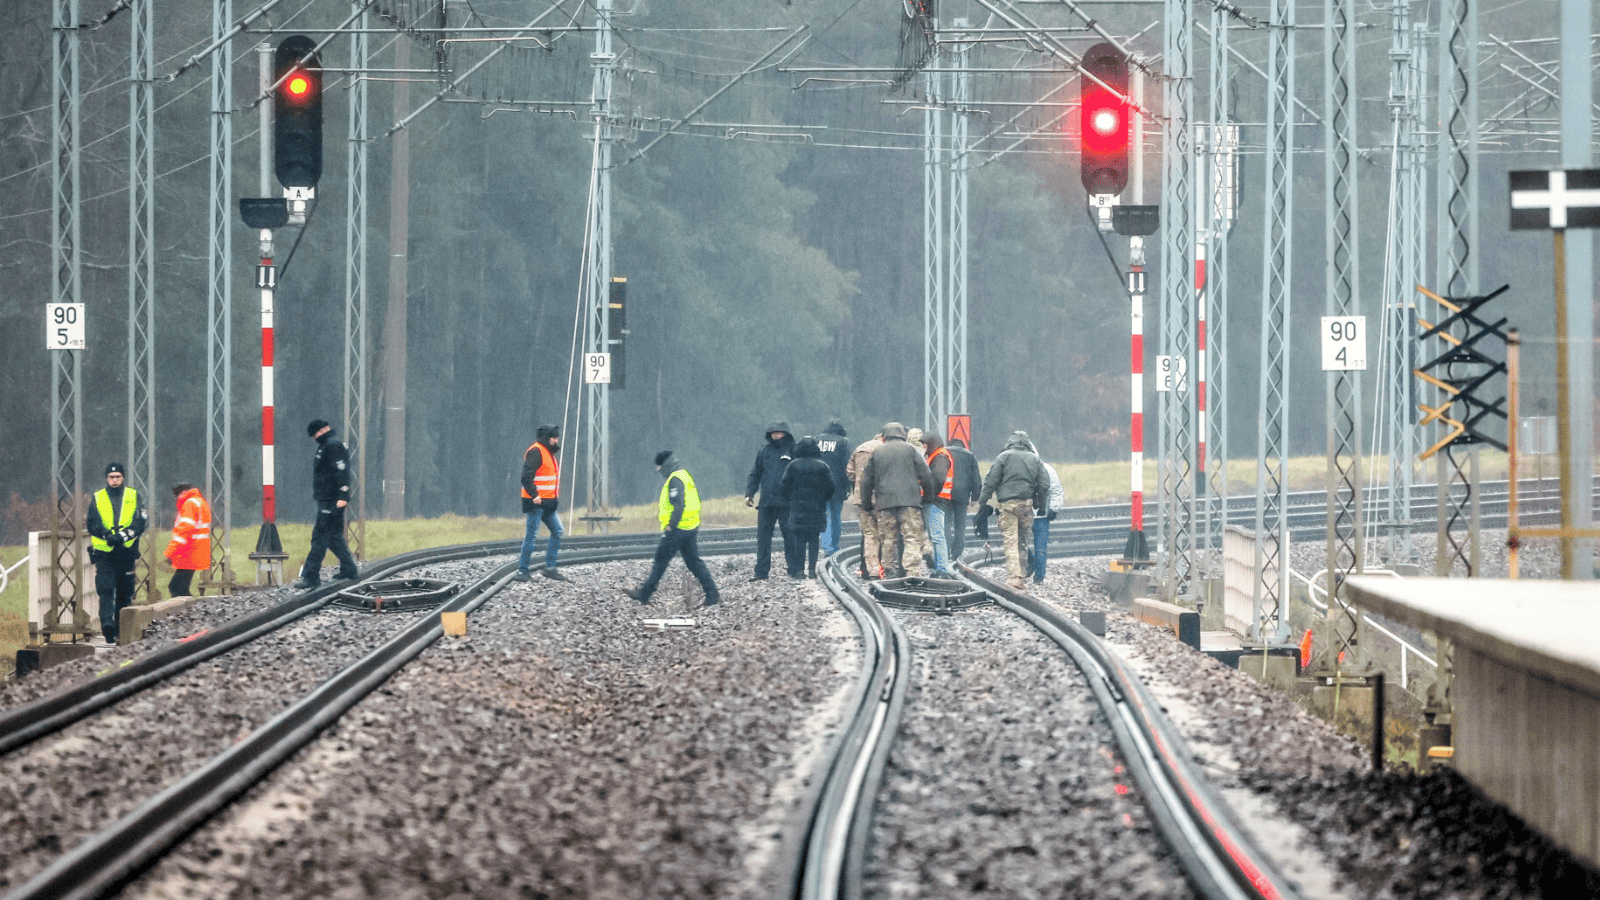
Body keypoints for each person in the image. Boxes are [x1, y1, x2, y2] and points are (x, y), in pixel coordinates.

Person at [624, 452, 721, 607]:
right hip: (690, 526)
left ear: (665, 465)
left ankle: (643, 594)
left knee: (660, 560)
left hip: (678, 528)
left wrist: (671, 524)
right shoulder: (684, 475)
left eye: (660, 467)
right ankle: (713, 594)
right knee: (694, 562)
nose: (659, 470)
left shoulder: (674, 480)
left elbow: (679, 505)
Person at [858, 422, 936, 579]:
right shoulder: (911, 450)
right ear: (902, 434)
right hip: (910, 503)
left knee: (888, 539)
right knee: (912, 537)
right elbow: (926, 476)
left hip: (885, 504)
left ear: (884, 435)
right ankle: (912, 572)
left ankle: (890, 572)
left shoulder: (877, 452)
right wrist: (928, 498)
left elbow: (866, 481)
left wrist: (866, 503)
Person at [292, 419, 361, 590]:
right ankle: (349, 569)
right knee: (333, 537)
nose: (314, 437)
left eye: (315, 434)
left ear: (321, 431)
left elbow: (342, 470)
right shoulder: (325, 446)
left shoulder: (332, 446)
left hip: (332, 500)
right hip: (328, 499)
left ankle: (311, 576)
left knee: (320, 537)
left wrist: (343, 494)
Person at [977, 430, 1050, 589]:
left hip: (1008, 505)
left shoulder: (1003, 457)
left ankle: (1014, 577)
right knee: (1022, 542)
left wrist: (982, 502)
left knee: (1010, 541)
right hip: (1026, 506)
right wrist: (1041, 504)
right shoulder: (1035, 459)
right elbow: (1044, 484)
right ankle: (1022, 576)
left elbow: (991, 482)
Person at [86, 462, 148, 644]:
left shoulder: (133, 495)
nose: (114, 480)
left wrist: (123, 535)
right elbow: (92, 523)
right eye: (111, 477)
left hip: (126, 550)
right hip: (104, 551)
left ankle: (121, 627)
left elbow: (140, 522)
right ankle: (107, 624)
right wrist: (105, 534)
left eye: (117, 477)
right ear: (107, 479)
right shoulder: (98, 497)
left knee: (124, 590)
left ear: (123, 478)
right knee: (105, 588)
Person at [744, 421, 797, 580]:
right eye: (773, 432)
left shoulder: (793, 450)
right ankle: (761, 572)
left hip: (786, 502)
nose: (775, 434)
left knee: (790, 537)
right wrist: (750, 493)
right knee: (763, 538)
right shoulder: (764, 451)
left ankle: (795, 569)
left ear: (785, 433)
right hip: (766, 502)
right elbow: (755, 474)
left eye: (779, 432)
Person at [515, 424, 568, 582]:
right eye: (554, 437)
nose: (556, 440)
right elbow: (526, 477)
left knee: (557, 530)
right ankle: (522, 571)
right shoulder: (536, 451)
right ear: (547, 438)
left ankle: (550, 568)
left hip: (548, 504)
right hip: (536, 504)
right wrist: (535, 495)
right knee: (531, 537)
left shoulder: (547, 452)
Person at [779, 437, 835, 578]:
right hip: (817, 508)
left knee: (799, 540)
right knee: (814, 539)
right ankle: (811, 569)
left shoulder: (793, 465)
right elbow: (831, 487)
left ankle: (799, 570)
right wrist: (823, 499)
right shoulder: (822, 466)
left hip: (798, 508)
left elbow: (784, 486)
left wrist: (791, 499)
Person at [845, 430, 884, 578]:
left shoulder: (860, 448)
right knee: (886, 534)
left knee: (868, 535)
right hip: (883, 498)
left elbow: (849, 472)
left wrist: (859, 483)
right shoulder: (885, 449)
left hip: (862, 498)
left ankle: (869, 570)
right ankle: (884, 569)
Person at [1025, 442, 1064, 584]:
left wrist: (1053, 508)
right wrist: (1054, 508)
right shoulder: (1047, 469)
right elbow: (1056, 490)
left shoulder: (1044, 469)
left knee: (1037, 547)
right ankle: (1037, 575)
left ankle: (1038, 575)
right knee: (1038, 547)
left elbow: (1055, 490)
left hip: (1034, 514)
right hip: (1036, 514)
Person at [164, 483, 212, 598]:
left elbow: (183, 531)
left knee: (176, 588)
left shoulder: (189, 504)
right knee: (181, 587)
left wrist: (170, 553)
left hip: (188, 552)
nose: (176, 499)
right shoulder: (200, 502)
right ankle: (190, 610)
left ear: (183, 492)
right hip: (197, 551)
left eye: (177, 495)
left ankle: (186, 611)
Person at [921, 430, 956, 576]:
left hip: (936, 501)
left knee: (937, 536)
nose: (923, 447)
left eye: (925, 444)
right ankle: (939, 567)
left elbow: (938, 479)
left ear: (931, 443)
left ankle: (942, 569)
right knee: (936, 536)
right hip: (937, 500)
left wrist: (928, 495)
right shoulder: (937, 455)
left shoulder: (940, 457)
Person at [815, 419, 851, 556]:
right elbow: (847, 465)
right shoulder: (843, 442)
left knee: (825, 515)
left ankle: (826, 547)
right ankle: (834, 547)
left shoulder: (817, 440)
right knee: (836, 516)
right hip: (838, 485)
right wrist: (848, 486)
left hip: (819, 485)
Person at [947, 436, 981, 562]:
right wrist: (975, 497)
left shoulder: (945, 452)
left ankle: (945, 550)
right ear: (963, 445)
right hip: (962, 496)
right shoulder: (969, 455)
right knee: (960, 526)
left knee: (946, 523)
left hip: (946, 494)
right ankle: (956, 553)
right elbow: (976, 478)